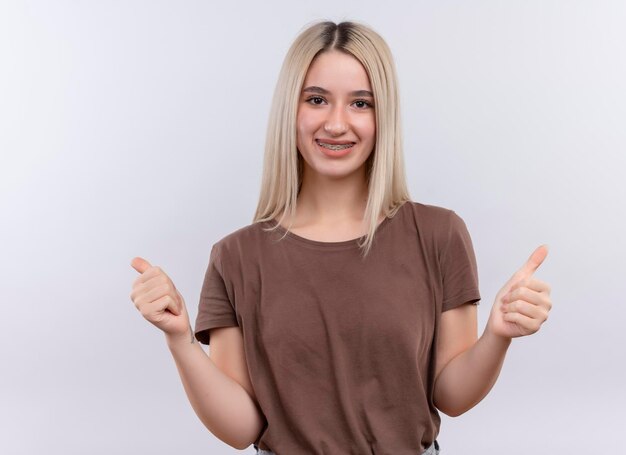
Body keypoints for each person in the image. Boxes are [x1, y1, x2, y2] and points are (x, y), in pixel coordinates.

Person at [130, 20, 553, 455]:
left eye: (361, 103)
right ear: (290, 110)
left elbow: (451, 395)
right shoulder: (235, 256)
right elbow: (242, 428)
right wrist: (179, 338)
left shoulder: (439, 234)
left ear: (383, 114)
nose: (336, 124)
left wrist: (498, 335)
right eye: (317, 100)